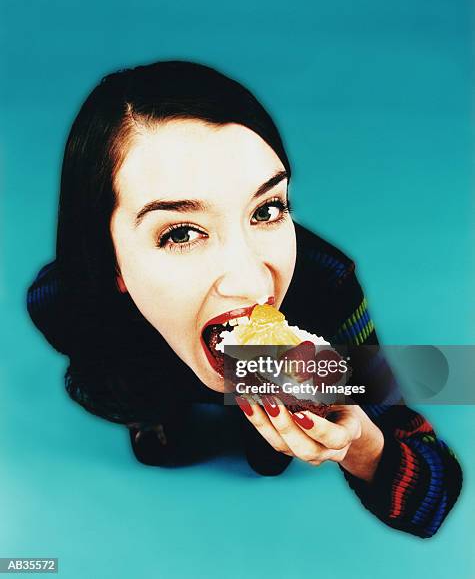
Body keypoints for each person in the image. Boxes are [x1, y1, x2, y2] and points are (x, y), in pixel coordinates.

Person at [26, 60, 462, 538]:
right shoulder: (61, 299)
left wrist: (360, 441)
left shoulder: (327, 287)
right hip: (145, 368)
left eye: (267, 209)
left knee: (268, 454)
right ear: (109, 261)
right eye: (180, 233)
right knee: (153, 432)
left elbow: (433, 493)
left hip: (274, 388)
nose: (253, 284)